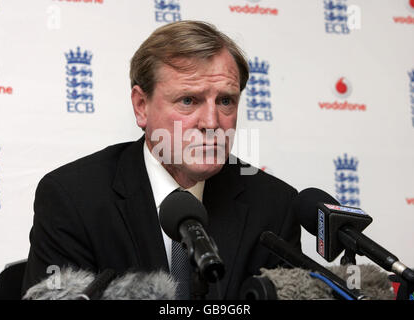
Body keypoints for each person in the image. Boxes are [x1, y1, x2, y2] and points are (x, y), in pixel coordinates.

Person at [21, 20, 301, 299]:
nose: (212, 122)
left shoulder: (275, 207)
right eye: (189, 100)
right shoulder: (73, 198)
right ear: (141, 106)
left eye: (226, 101)